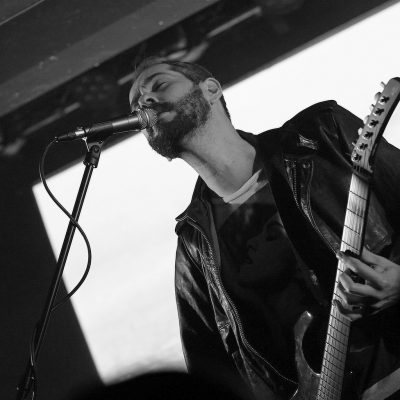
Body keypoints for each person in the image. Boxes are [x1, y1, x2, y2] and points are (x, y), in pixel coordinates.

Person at [128, 57, 400, 400]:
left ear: (210, 89)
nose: (145, 101)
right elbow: (210, 372)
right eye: (136, 105)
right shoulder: (195, 249)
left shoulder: (322, 136)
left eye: (159, 85)